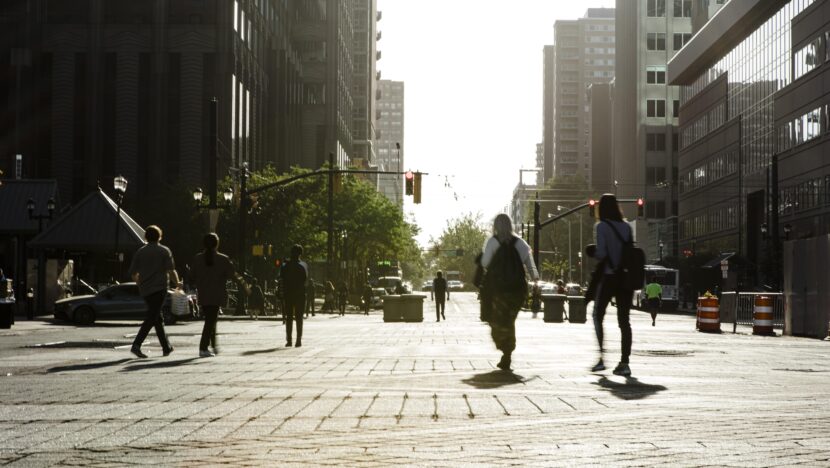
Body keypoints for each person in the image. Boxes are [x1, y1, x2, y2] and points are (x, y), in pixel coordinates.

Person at [480, 213, 539, 371]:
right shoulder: (521, 243)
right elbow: (531, 265)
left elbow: (485, 263)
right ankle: (508, 353)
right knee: (510, 320)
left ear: (496, 226)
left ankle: (505, 348)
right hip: (517, 290)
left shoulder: (493, 242)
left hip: (498, 291)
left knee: (497, 321)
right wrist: (535, 280)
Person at [590, 194, 634, 377]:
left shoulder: (601, 227)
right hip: (625, 279)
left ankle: (601, 357)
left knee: (597, 315)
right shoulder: (626, 226)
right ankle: (625, 362)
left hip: (609, 277)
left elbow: (601, 253)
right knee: (624, 321)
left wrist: (592, 251)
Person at [128, 225, 179, 359]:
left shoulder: (140, 251)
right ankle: (136, 344)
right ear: (159, 236)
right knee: (152, 317)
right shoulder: (164, 250)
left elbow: (133, 272)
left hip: (146, 289)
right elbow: (170, 270)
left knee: (157, 317)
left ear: (146, 236)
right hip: (160, 287)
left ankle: (166, 347)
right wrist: (178, 283)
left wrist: (140, 282)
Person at [190, 233, 240, 357]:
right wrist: (244, 285)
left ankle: (213, 345)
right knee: (210, 321)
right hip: (217, 293)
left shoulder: (197, 258)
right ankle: (203, 347)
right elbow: (232, 274)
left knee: (211, 320)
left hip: (203, 293)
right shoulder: (223, 259)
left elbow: (191, 276)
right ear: (217, 244)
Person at [280, 244, 308, 347]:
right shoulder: (303, 265)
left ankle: (289, 340)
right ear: (300, 253)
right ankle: (298, 340)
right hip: (300, 294)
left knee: (289, 317)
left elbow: (281, 279)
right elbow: (305, 279)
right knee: (299, 317)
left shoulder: (285, 265)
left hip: (288, 294)